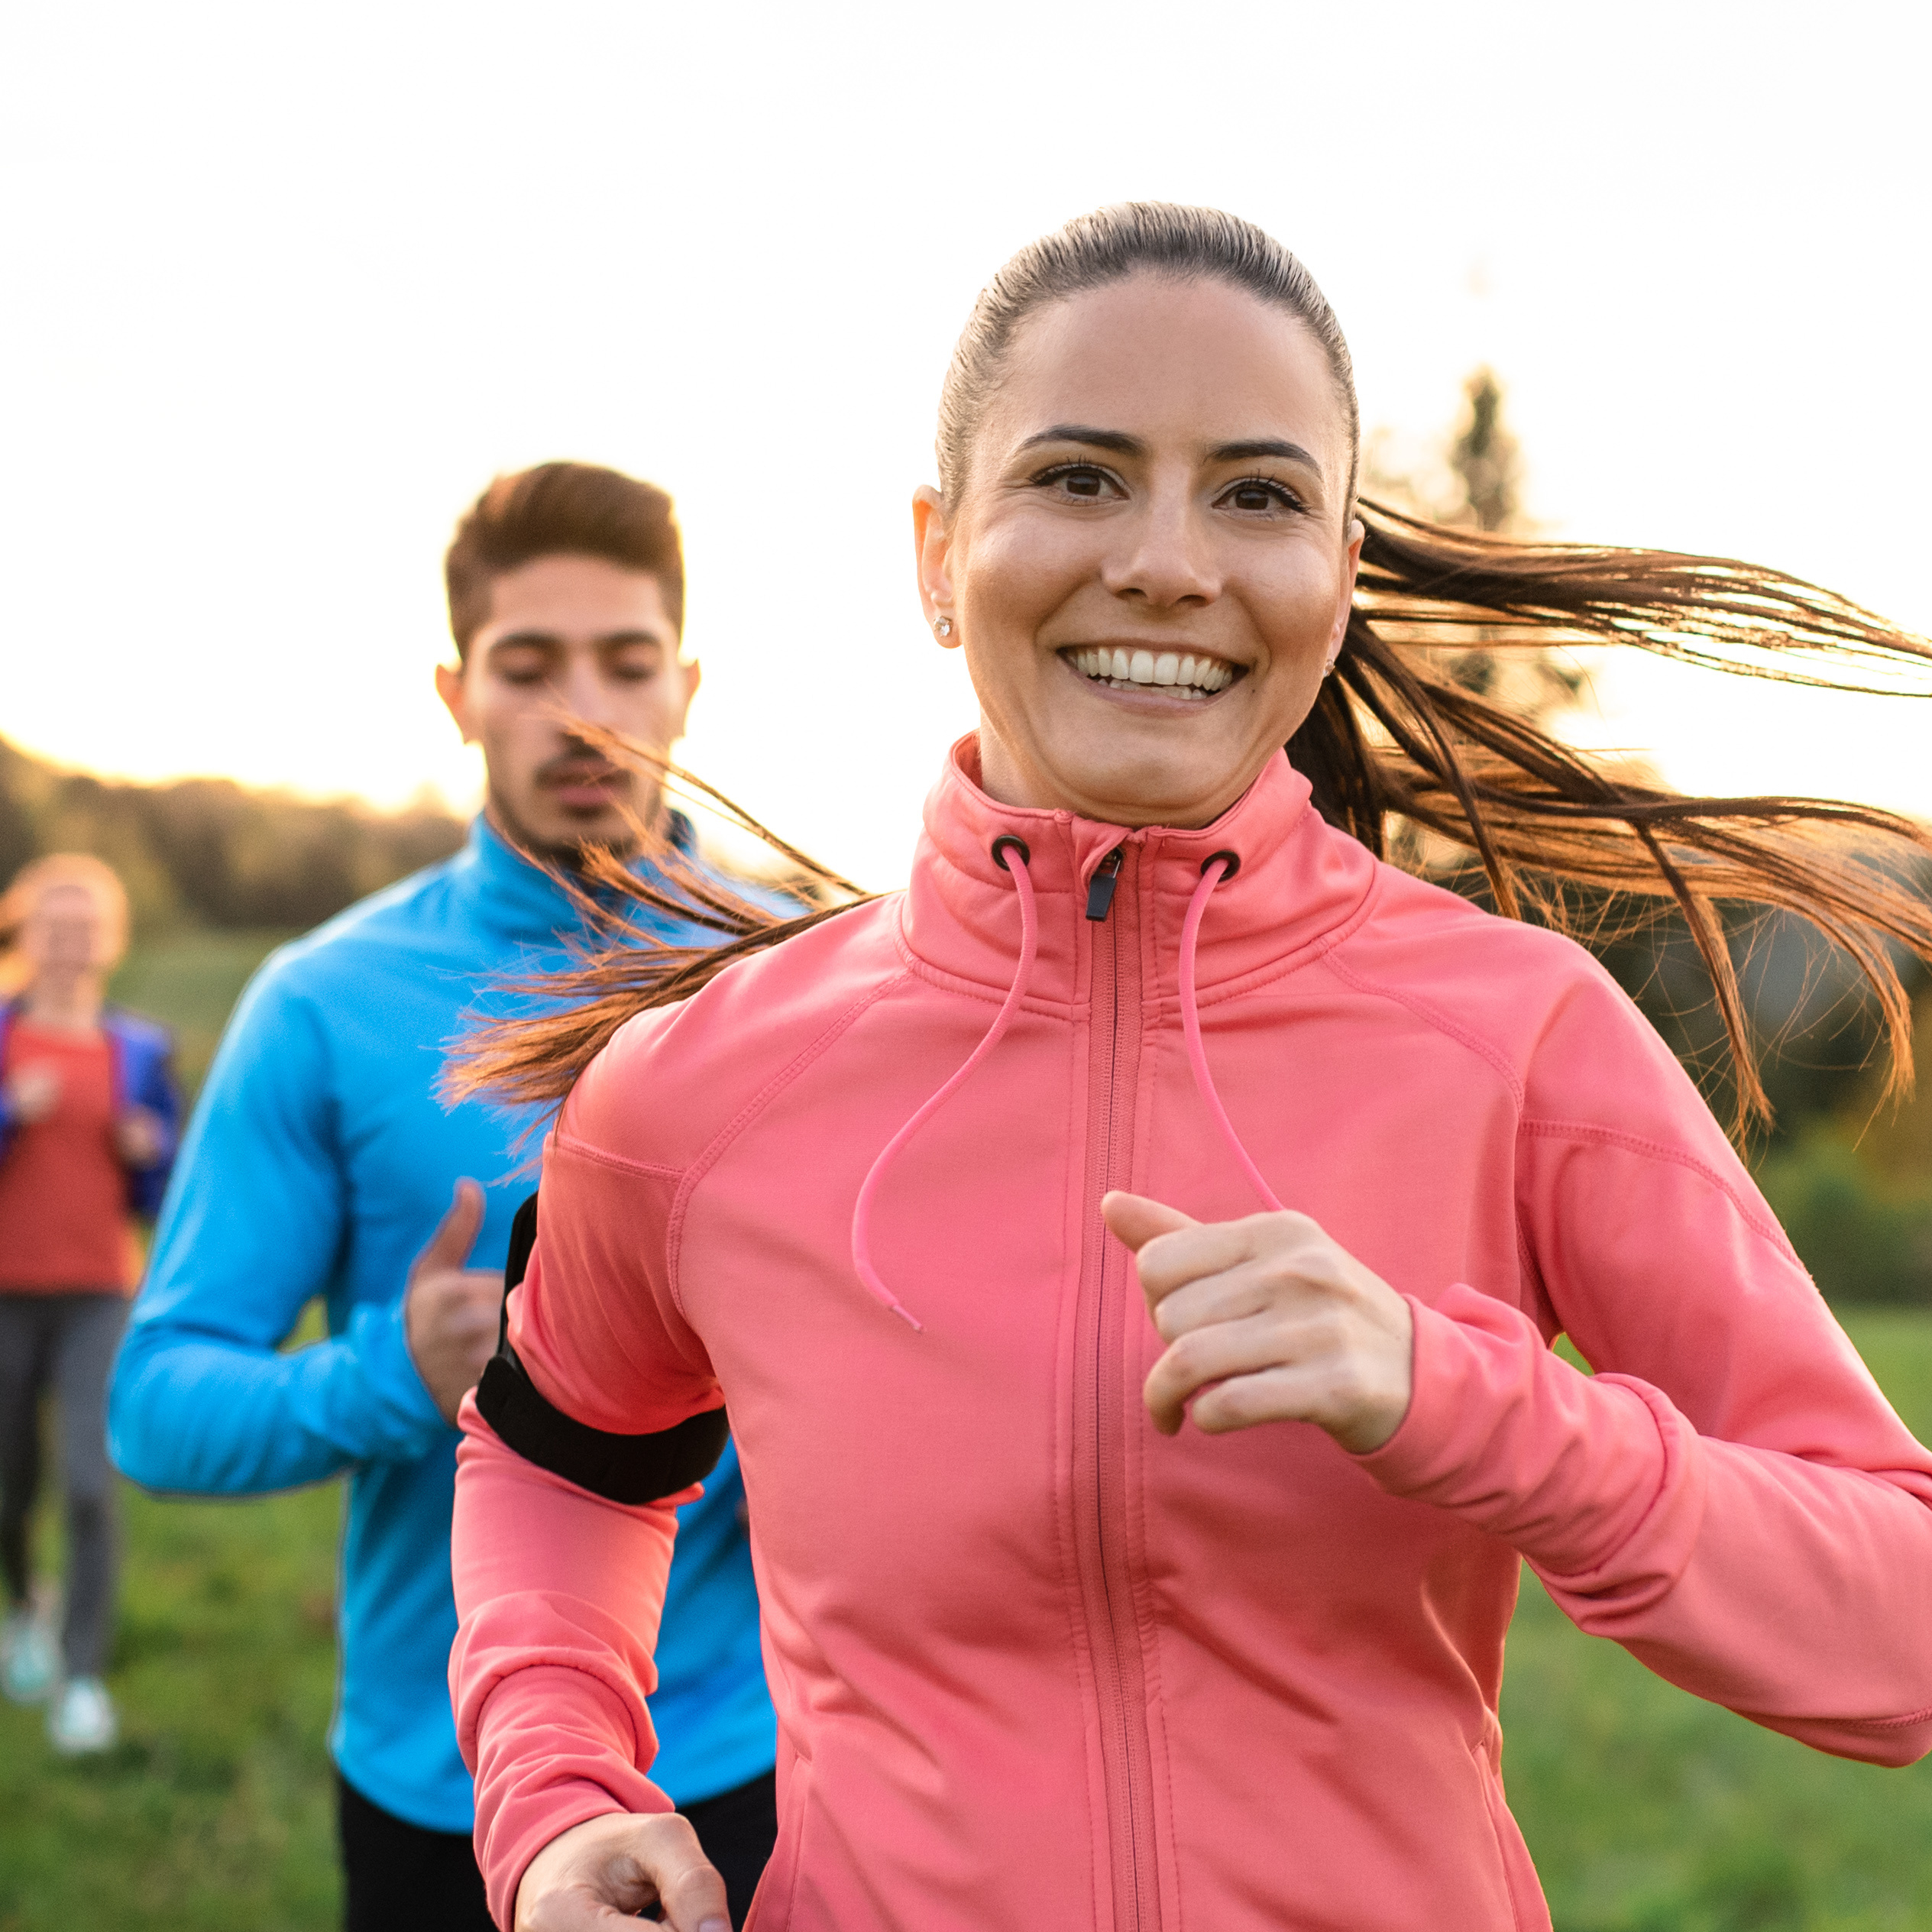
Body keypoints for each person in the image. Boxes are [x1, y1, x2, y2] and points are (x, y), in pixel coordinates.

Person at [445, 209, 1932, 1932]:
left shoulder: (1517, 1038)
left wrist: (1467, 1403)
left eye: (1257, 493)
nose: (1166, 561)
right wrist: (555, 1792)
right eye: (1079, 477)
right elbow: (562, 1457)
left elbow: (1896, 1633)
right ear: (935, 555)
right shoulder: (698, 1091)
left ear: (1339, 571)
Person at [108, 464, 778, 1932]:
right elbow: (155, 1403)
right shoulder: (324, 1002)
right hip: (440, 1783)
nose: (581, 710)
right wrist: (385, 1374)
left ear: (688, 684)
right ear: (454, 691)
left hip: (761, 1758)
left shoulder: (812, 979)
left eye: (625, 661)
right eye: (527, 667)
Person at [0, 853, 178, 1754]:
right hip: (3, 1293)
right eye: (52, 927)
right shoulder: (1, 1034)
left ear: (106, 942)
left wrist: (148, 1149)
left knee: (85, 1483)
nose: (68, 944)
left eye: (84, 928)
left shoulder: (137, 1050)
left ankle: (81, 1676)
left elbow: (167, 1186)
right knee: (9, 1486)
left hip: (100, 1294)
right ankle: (24, 1607)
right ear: (25, 935)